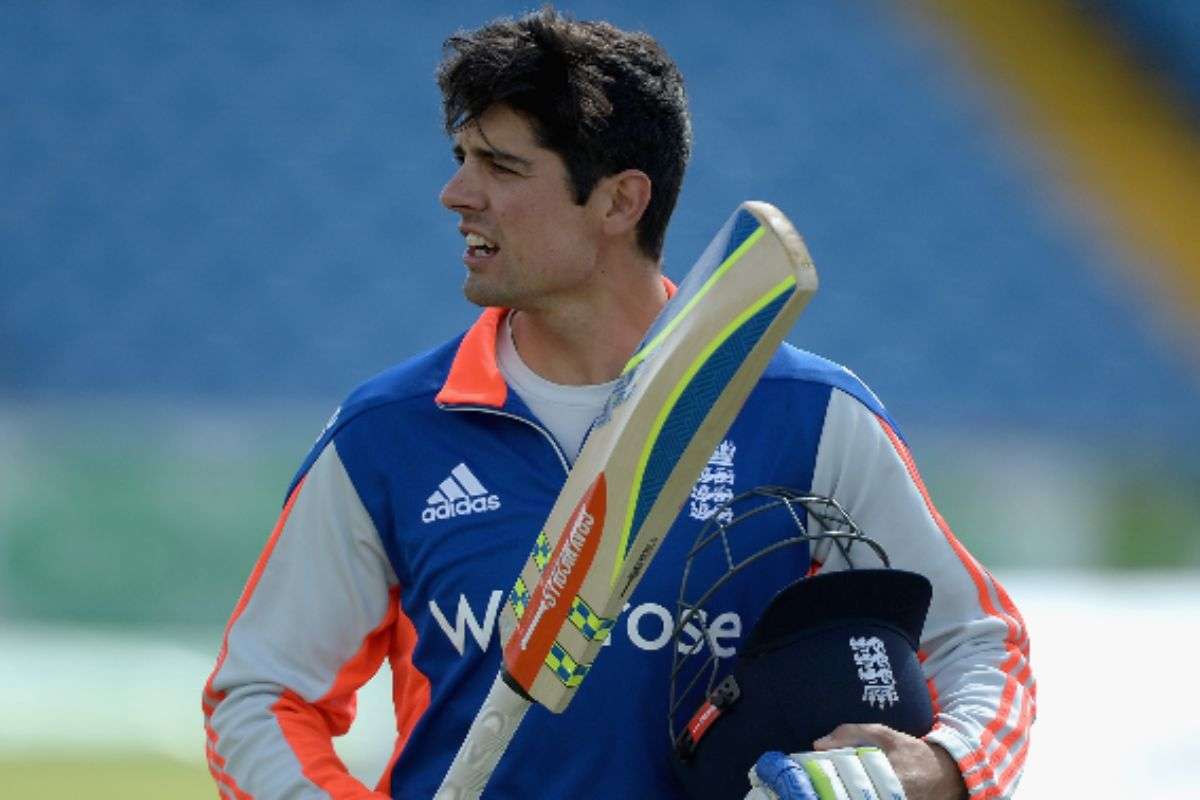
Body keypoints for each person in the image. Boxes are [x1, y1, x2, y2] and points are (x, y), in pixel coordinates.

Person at [202, 7, 1034, 799]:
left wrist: (945, 768)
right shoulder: (389, 434)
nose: (456, 193)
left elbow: (978, 643)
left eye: (501, 166)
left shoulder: (808, 414)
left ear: (619, 201)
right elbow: (262, 697)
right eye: (461, 157)